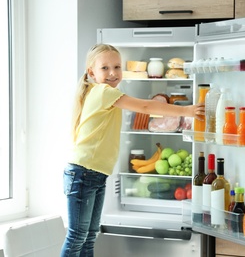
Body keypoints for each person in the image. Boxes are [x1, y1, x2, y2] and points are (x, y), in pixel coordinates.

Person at [61, 44, 204, 257]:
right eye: (105, 68)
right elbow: (146, 107)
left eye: (117, 67)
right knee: (77, 237)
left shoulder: (106, 93)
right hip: (83, 173)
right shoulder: (103, 92)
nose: (112, 73)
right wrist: (186, 110)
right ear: (91, 72)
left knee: (89, 236)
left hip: (94, 174)